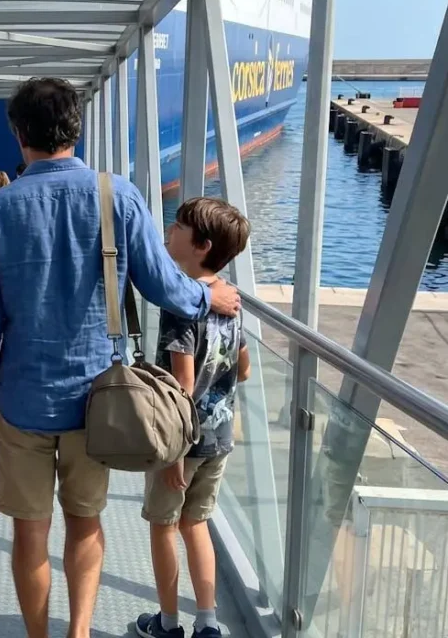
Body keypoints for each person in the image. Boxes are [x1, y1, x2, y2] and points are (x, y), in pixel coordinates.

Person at [0, 77, 241, 638]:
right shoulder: (120, 196)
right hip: (101, 401)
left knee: (29, 532)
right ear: (77, 129)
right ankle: (81, 632)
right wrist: (207, 294)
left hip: (21, 397)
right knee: (85, 520)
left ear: (18, 134)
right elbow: (164, 285)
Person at [133, 197, 252, 638]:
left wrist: (174, 453)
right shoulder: (232, 301)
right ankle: (208, 623)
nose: (170, 228)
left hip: (182, 440)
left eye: (179, 225)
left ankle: (166, 624)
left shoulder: (184, 305)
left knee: (164, 526)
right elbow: (244, 368)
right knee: (196, 523)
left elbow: (182, 385)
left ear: (200, 245)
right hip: (219, 437)